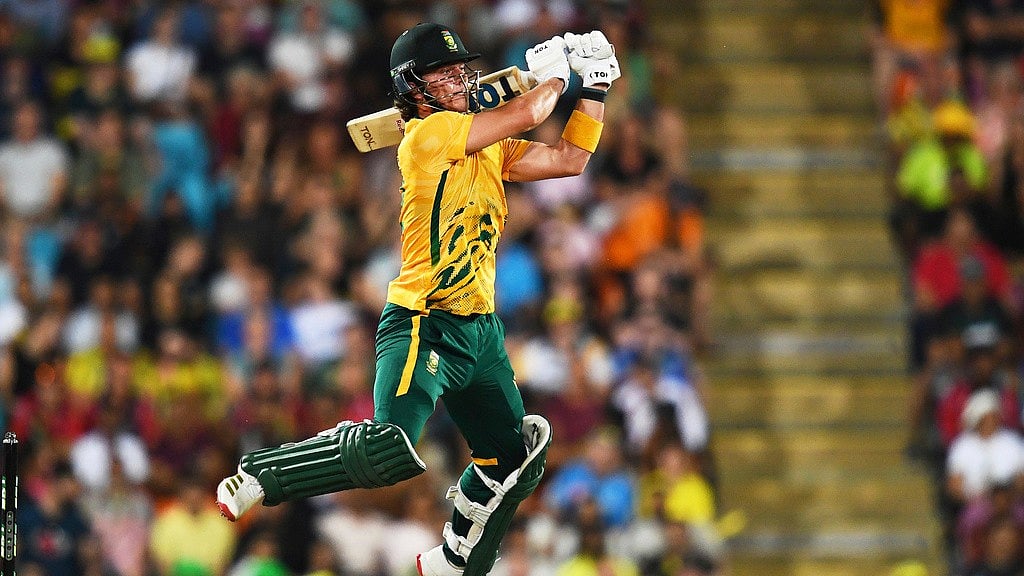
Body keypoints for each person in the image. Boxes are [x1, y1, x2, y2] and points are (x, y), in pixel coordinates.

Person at [216, 22, 620, 576]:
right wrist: (557, 75)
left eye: (461, 71)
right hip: (422, 321)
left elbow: (569, 159)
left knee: (517, 459)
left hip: (479, 331)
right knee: (390, 448)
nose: (460, 80)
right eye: (444, 74)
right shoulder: (426, 137)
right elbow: (529, 111)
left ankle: (457, 559)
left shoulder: (486, 144)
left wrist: (594, 88)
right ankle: (262, 474)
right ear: (413, 86)